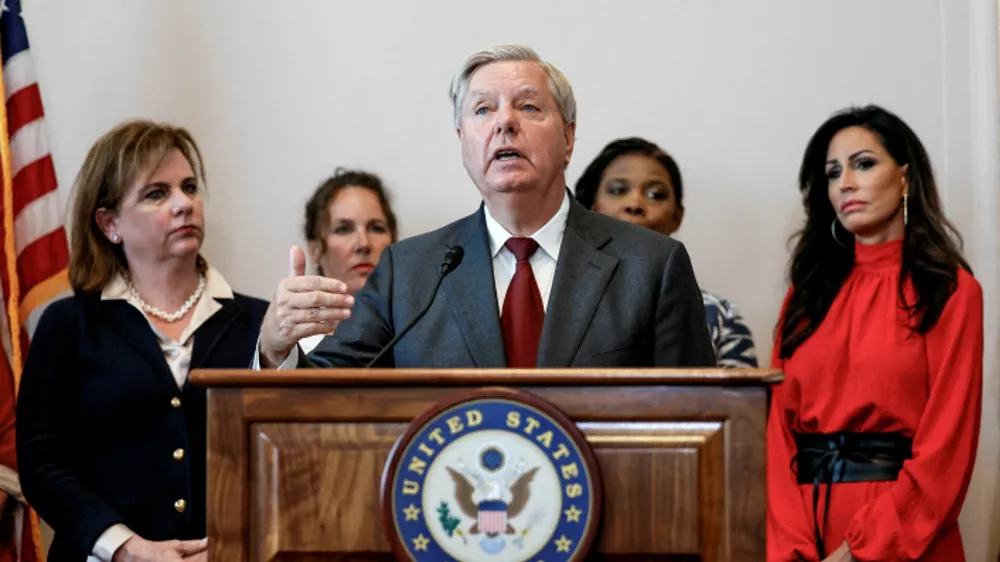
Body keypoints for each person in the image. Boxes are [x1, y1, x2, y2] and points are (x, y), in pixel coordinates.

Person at [255, 44, 715, 370]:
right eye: (483, 110)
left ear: (569, 137)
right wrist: (276, 348)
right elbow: (325, 394)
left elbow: (698, 419)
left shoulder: (651, 267)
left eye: (529, 107)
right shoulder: (408, 273)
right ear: (462, 141)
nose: (505, 123)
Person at [16, 121, 269, 562]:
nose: (184, 204)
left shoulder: (261, 323)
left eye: (189, 187)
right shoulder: (70, 324)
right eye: (157, 193)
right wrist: (126, 548)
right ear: (110, 223)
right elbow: (42, 467)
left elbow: (284, 458)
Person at [766, 105, 983, 562]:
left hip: (905, 539)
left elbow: (946, 449)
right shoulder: (804, 300)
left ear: (905, 177)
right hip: (805, 535)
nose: (845, 182)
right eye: (832, 172)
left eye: (863, 164)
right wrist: (792, 550)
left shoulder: (950, 291)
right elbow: (777, 438)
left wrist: (860, 551)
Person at [574, 137, 758, 368]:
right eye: (618, 190)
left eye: (655, 195)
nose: (635, 203)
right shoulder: (556, 300)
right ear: (591, 208)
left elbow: (741, 404)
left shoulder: (718, 315)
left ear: (676, 216)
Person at [298, 168, 398, 353]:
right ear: (315, 249)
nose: (363, 244)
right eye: (343, 229)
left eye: (376, 228)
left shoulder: (420, 327)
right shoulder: (291, 341)